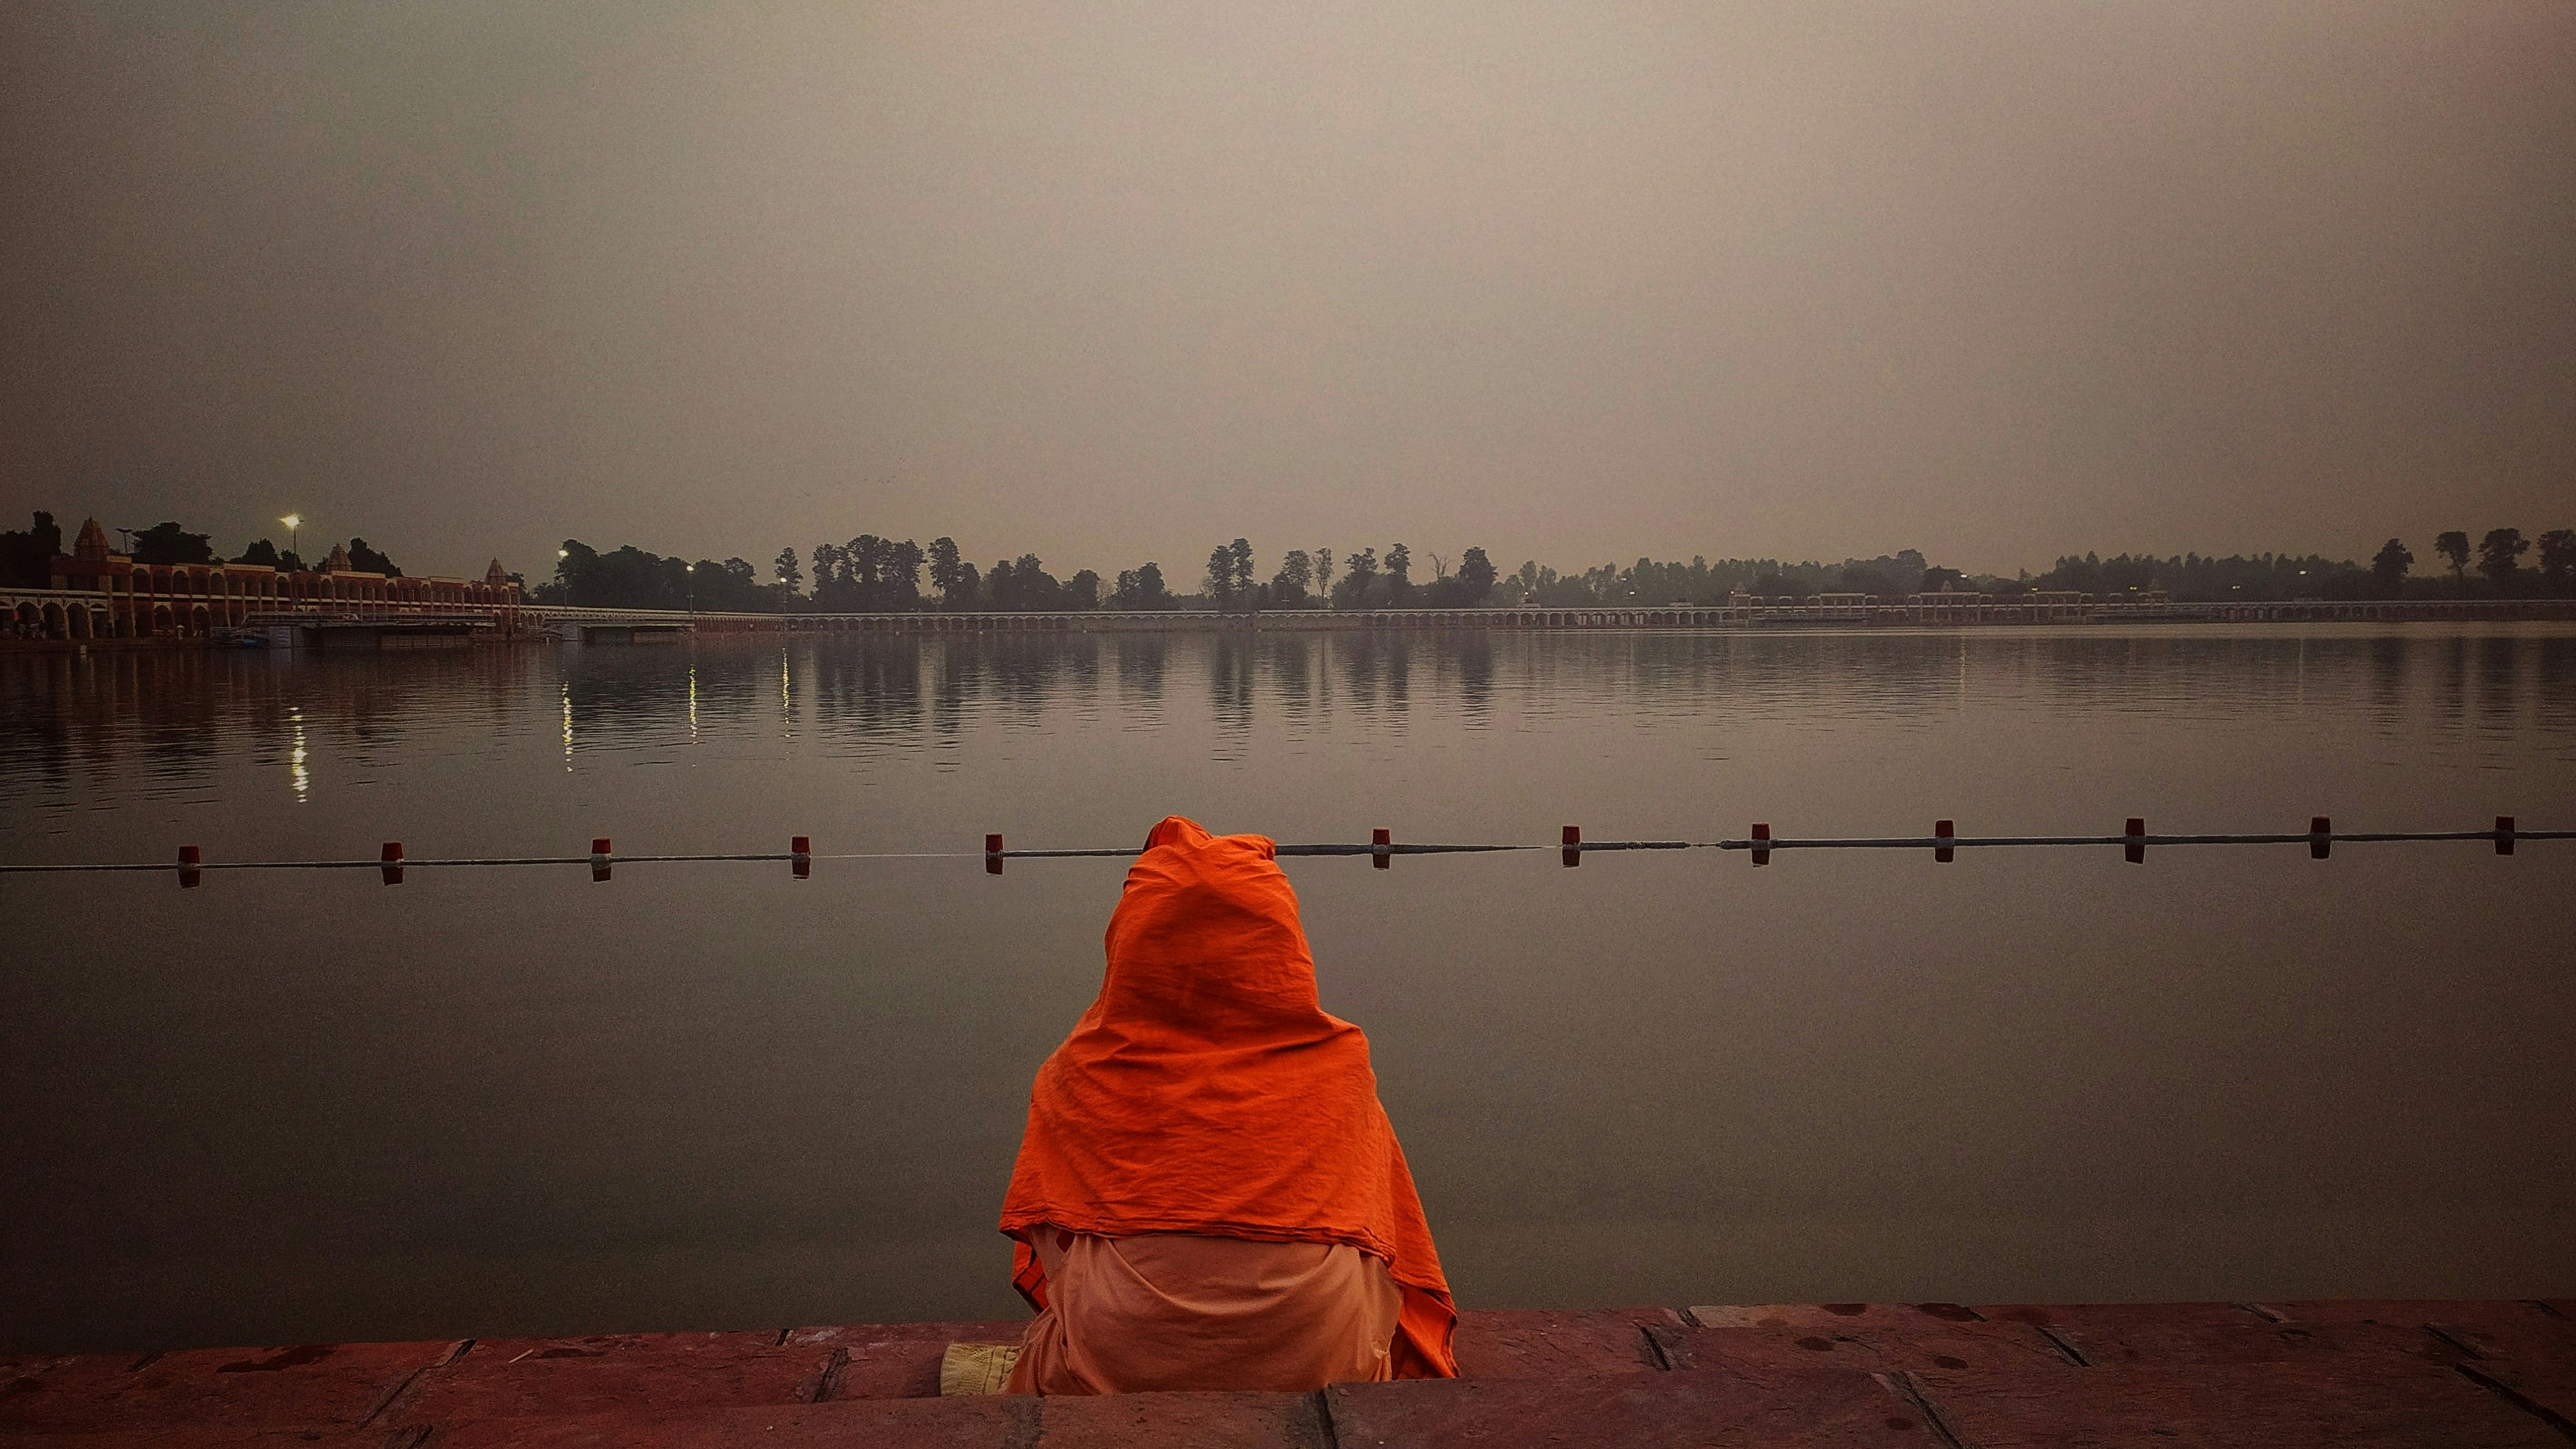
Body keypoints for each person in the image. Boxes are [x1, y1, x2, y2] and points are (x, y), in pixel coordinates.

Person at [1000, 815, 1458, 1394]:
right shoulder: (1339, 1061)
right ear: (1282, 941)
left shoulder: (1083, 1068)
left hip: (1121, 1353)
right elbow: (1378, 1230)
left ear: (1132, 939)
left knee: (1064, 1320)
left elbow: (1051, 1235)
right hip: (1318, 1352)